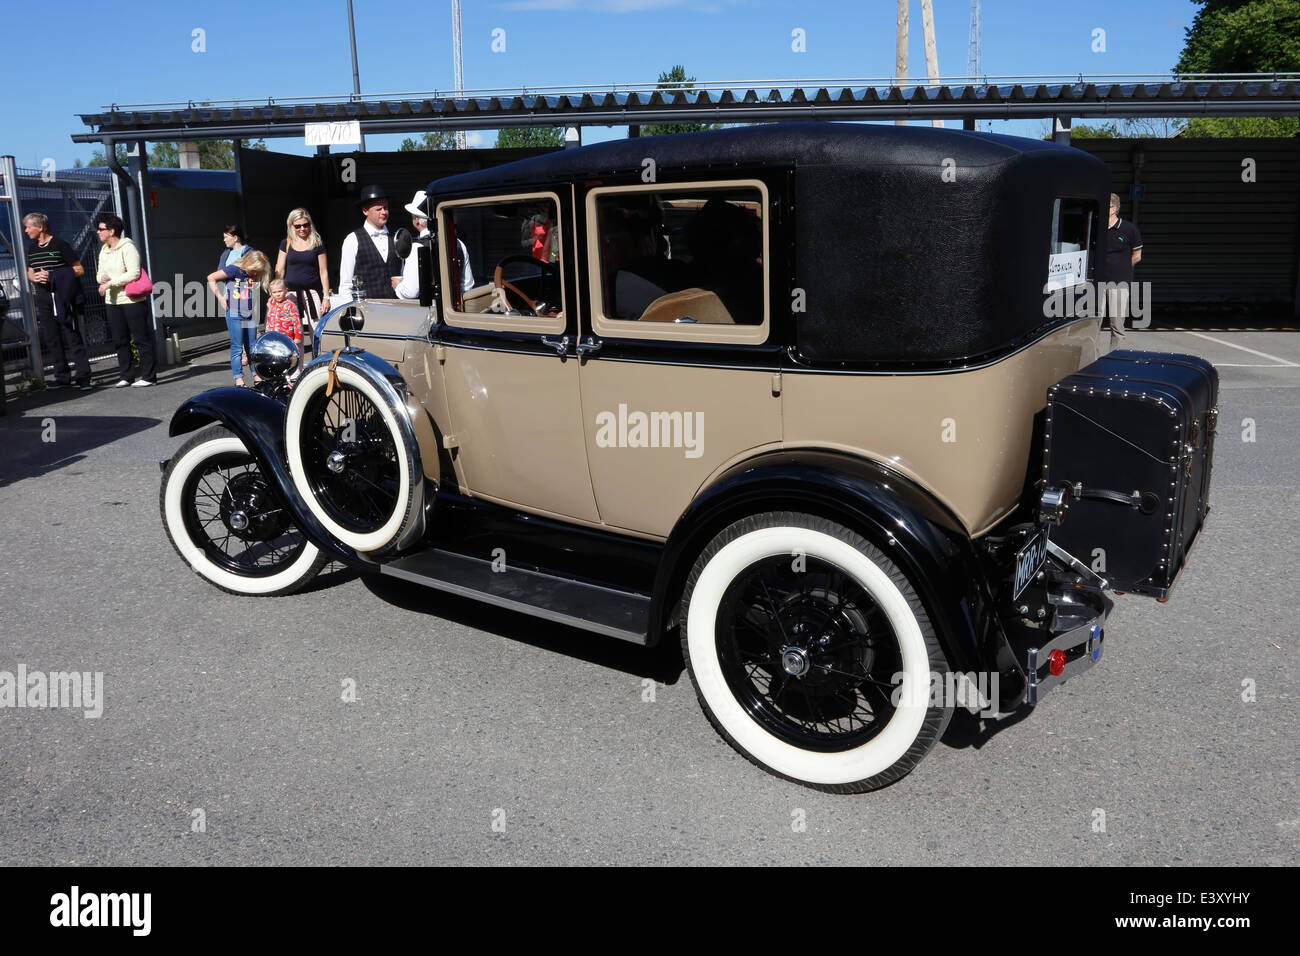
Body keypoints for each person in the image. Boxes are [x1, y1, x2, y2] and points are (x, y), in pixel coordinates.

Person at [23, 213, 92, 390]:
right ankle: (62, 376)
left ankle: (84, 376)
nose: (26, 230)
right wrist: (35, 277)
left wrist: (54, 276)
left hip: (62, 296)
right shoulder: (32, 248)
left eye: (29, 227)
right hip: (43, 297)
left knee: (71, 335)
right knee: (51, 337)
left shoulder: (61, 245)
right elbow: (29, 271)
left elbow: (79, 269)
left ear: (40, 228)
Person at [95, 213, 156, 387]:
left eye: (101, 229)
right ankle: (126, 375)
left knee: (140, 338)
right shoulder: (104, 250)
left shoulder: (128, 247)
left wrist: (110, 283)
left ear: (112, 231)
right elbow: (99, 273)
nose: (98, 232)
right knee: (120, 339)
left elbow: (134, 273)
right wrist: (102, 280)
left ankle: (149, 376)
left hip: (132, 300)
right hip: (112, 301)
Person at [207, 250, 271, 387]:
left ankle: (256, 375)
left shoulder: (254, 275)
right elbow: (211, 278)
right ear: (248, 263)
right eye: (254, 270)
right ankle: (239, 379)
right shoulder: (234, 270)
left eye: (258, 272)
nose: (255, 274)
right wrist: (220, 298)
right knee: (237, 347)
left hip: (249, 312)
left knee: (252, 347)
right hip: (235, 312)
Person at [396, 189, 474, 299]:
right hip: (454, 310)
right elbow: (467, 285)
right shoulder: (459, 243)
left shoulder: (416, 248)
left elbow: (411, 292)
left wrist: (398, 286)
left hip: (427, 312)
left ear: (416, 220)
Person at [274, 208, 330, 356]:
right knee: (293, 333)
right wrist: (275, 295)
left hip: (312, 293)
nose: (302, 229)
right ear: (291, 226)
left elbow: (323, 271)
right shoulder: (286, 243)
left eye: (305, 225)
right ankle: (295, 372)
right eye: (297, 226)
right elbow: (279, 269)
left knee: (317, 331)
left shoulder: (317, 243)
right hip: (290, 294)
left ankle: (319, 365)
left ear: (310, 224)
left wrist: (326, 297)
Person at [337, 185, 402, 302]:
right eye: (378, 209)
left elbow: (403, 274)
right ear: (365, 211)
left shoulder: (397, 237)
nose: (384, 212)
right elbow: (346, 285)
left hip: (396, 308)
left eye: (386, 208)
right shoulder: (352, 240)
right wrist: (352, 311)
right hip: (368, 311)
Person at [1104, 192, 1144, 344]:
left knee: (1117, 326)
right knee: (1093, 325)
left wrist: (1123, 269)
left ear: (1114, 209)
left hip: (1119, 283)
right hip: (1097, 283)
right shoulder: (1096, 227)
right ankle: (1093, 362)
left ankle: (1114, 359)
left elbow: (1137, 255)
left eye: (1105, 206)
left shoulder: (1129, 229)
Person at [264, 278, 303, 366]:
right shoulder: (272, 305)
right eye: (274, 292)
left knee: (286, 358)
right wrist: (266, 335)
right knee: (274, 358)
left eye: (280, 291)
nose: (277, 294)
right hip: (274, 338)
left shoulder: (290, 305)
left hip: (287, 338)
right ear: (271, 293)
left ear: (286, 291)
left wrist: (297, 337)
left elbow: (296, 322)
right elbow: (269, 321)